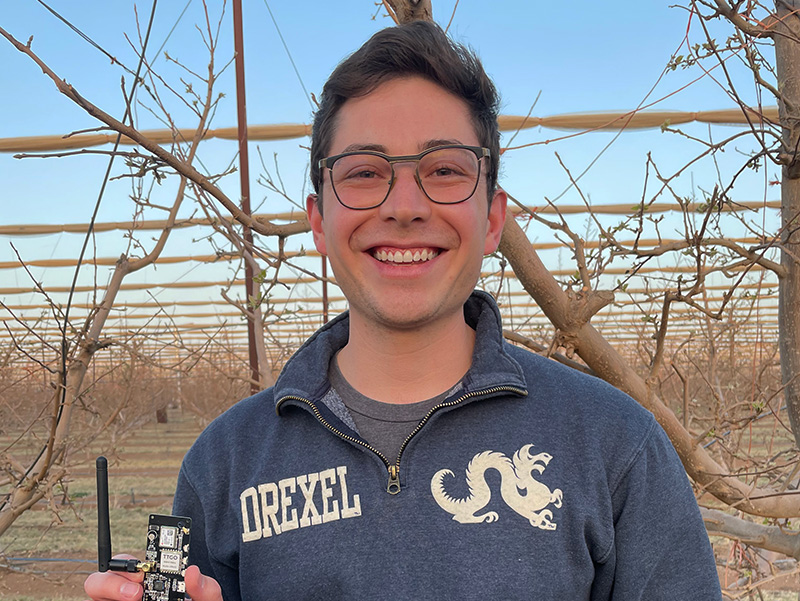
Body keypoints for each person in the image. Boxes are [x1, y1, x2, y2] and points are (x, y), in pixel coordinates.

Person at [85, 21, 722, 601]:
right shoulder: (224, 463)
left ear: (493, 219)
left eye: (444, 170)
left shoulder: (615, 445)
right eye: (364, 173)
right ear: (319, 221)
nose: (405, 207)